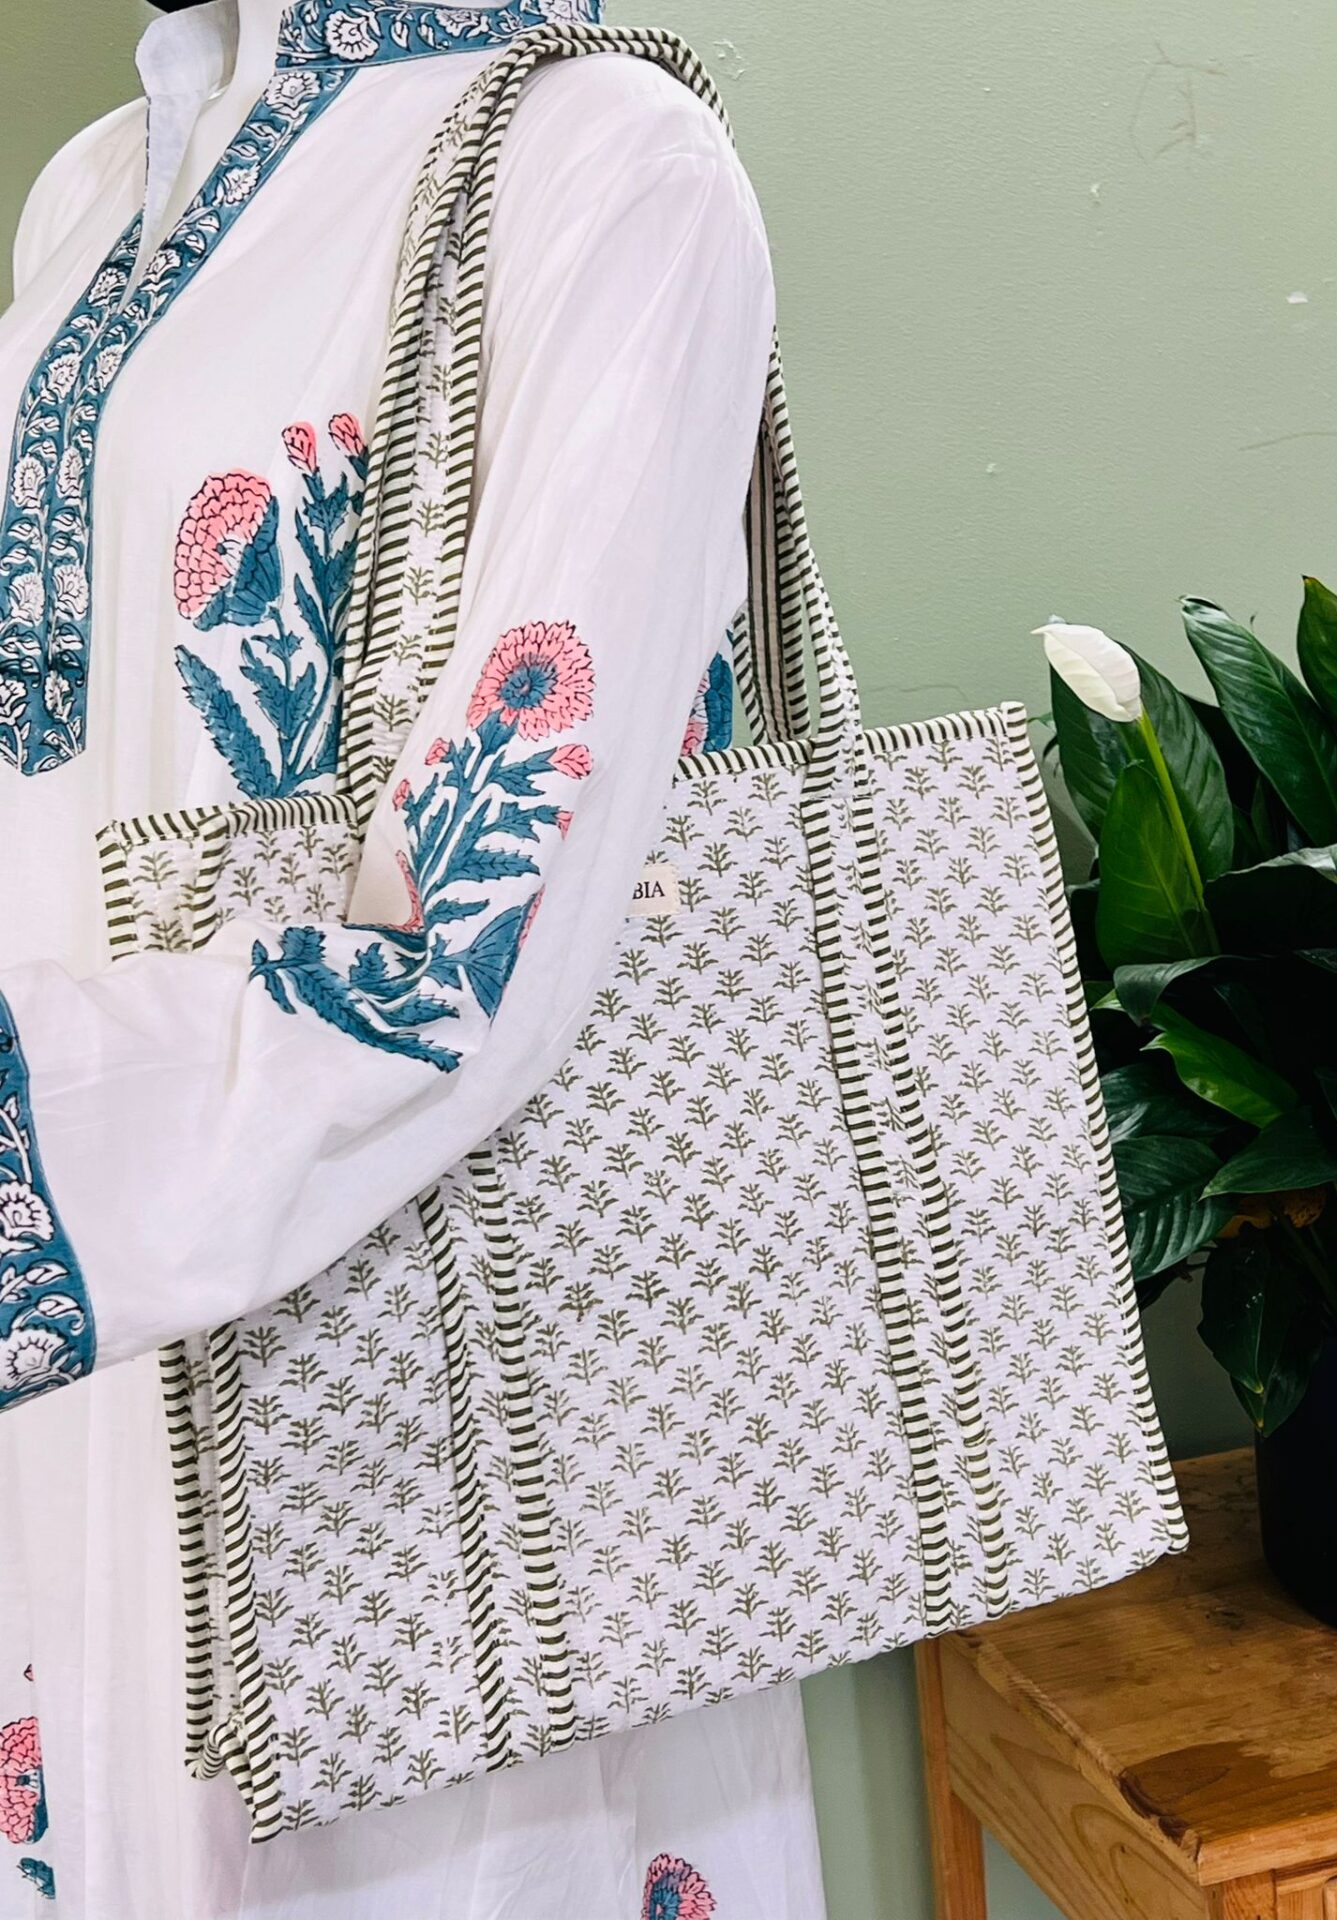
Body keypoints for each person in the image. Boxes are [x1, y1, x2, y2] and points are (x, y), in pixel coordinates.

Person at [0, 2, 828, 1913]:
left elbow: (476, 931)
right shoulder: (96, 179)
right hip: (87, 1374)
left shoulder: (612, 160)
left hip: (417, 1427)